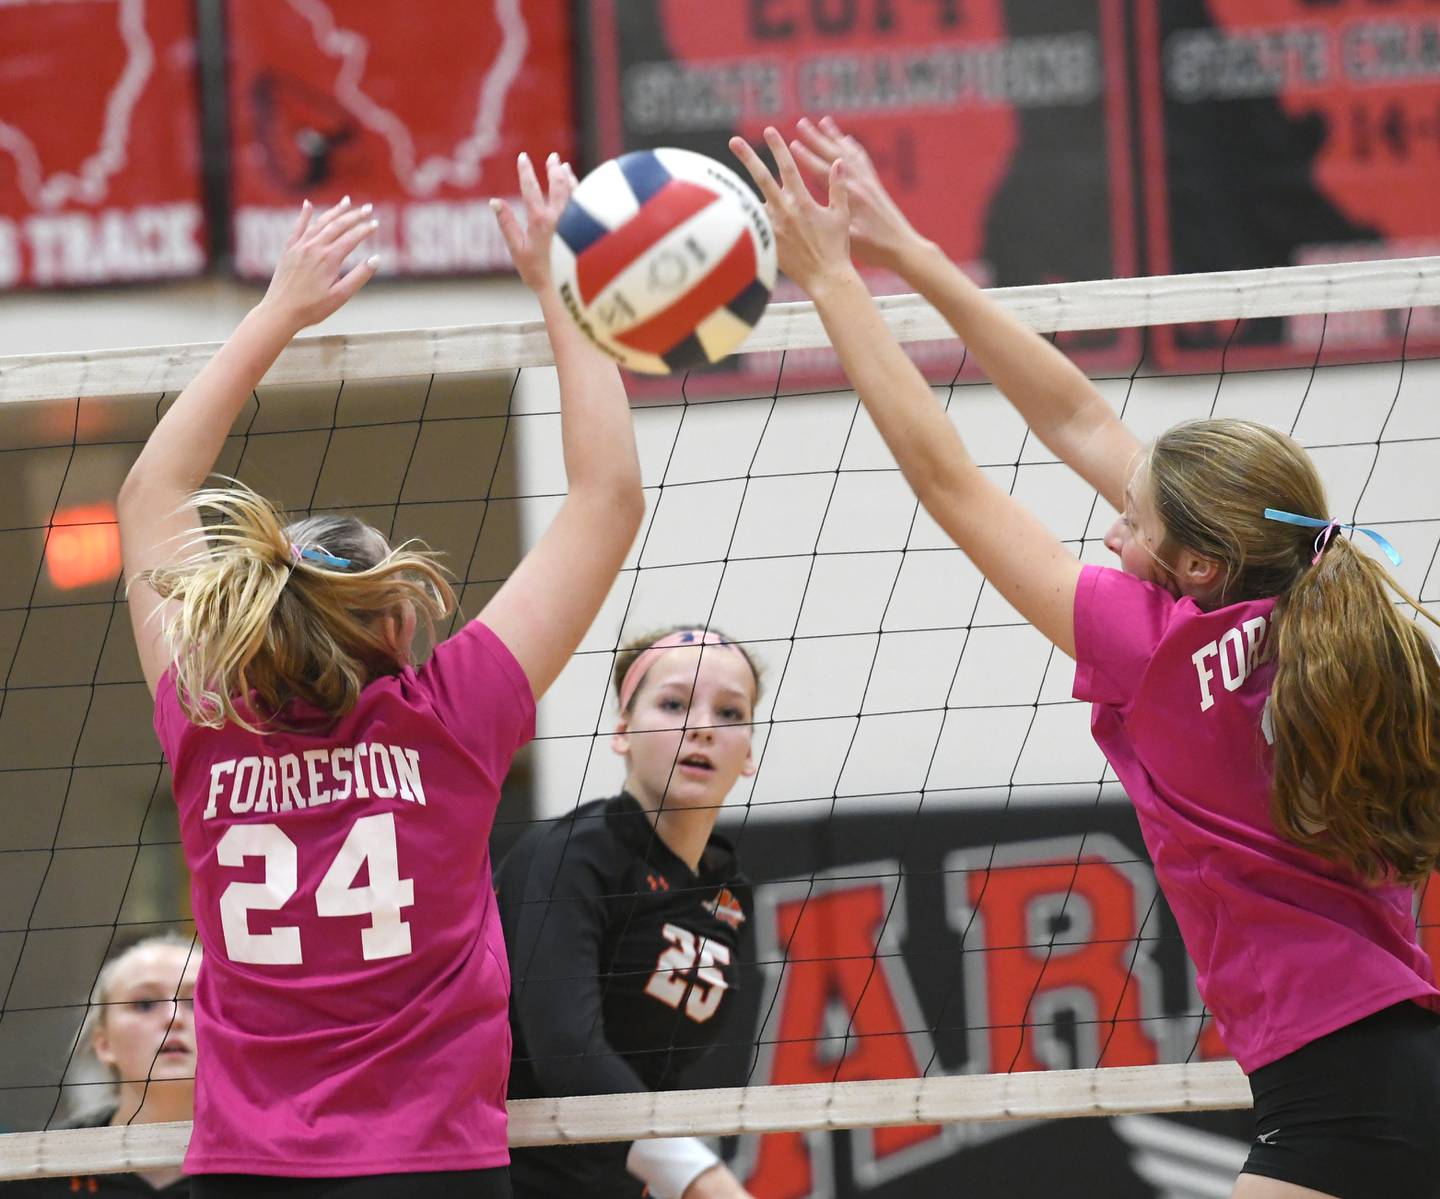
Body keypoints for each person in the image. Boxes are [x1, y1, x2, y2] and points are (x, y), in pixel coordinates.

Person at [726, 119, 1440, 1199]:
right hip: (1391, 1054)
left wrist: (833, 281)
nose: (1112, 532)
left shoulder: (1158, 647)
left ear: (1198, 564)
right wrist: (907, 248)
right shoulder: (1332, 598)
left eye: (1132, 524)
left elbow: (950, 478)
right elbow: (1078, 413)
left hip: (1341, 1088)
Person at [114, 154, 644, 1198]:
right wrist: (559, 286)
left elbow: (150, 490)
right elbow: (609, 496)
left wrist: (278, 311)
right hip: (431, 1165)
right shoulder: (452, 715)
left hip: (248, 1172)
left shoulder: (207, 717)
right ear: (401, 618)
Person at [497, 627, 762, 1199]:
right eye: (673, 703)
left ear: (749, 755)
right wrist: (701, 1179)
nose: (704, 727)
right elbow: (568, 1051)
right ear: (621, 732)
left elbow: (657, 1070)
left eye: (730, 712)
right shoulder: (573, 857)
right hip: (507, 1177)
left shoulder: (727, 893)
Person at [2, 933, 200, 1196]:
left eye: (196, 1002)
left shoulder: (267, 1166)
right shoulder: (36, 1174)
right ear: (103, 1043)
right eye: (144, 1004)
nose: (173, 1018)